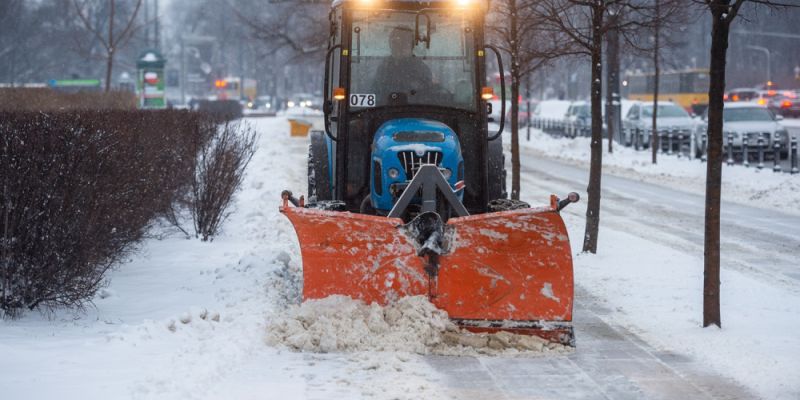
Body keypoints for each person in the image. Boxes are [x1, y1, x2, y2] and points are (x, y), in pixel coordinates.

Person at [373, 26, 433, 102]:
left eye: (403, 42)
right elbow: (376, 92)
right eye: (395, 42)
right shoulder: (384, 67)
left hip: (414, 110)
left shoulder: (420, 68)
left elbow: (426, 96)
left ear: (411, 45)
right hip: (384, 111)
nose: (399, 46)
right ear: (390, 44)